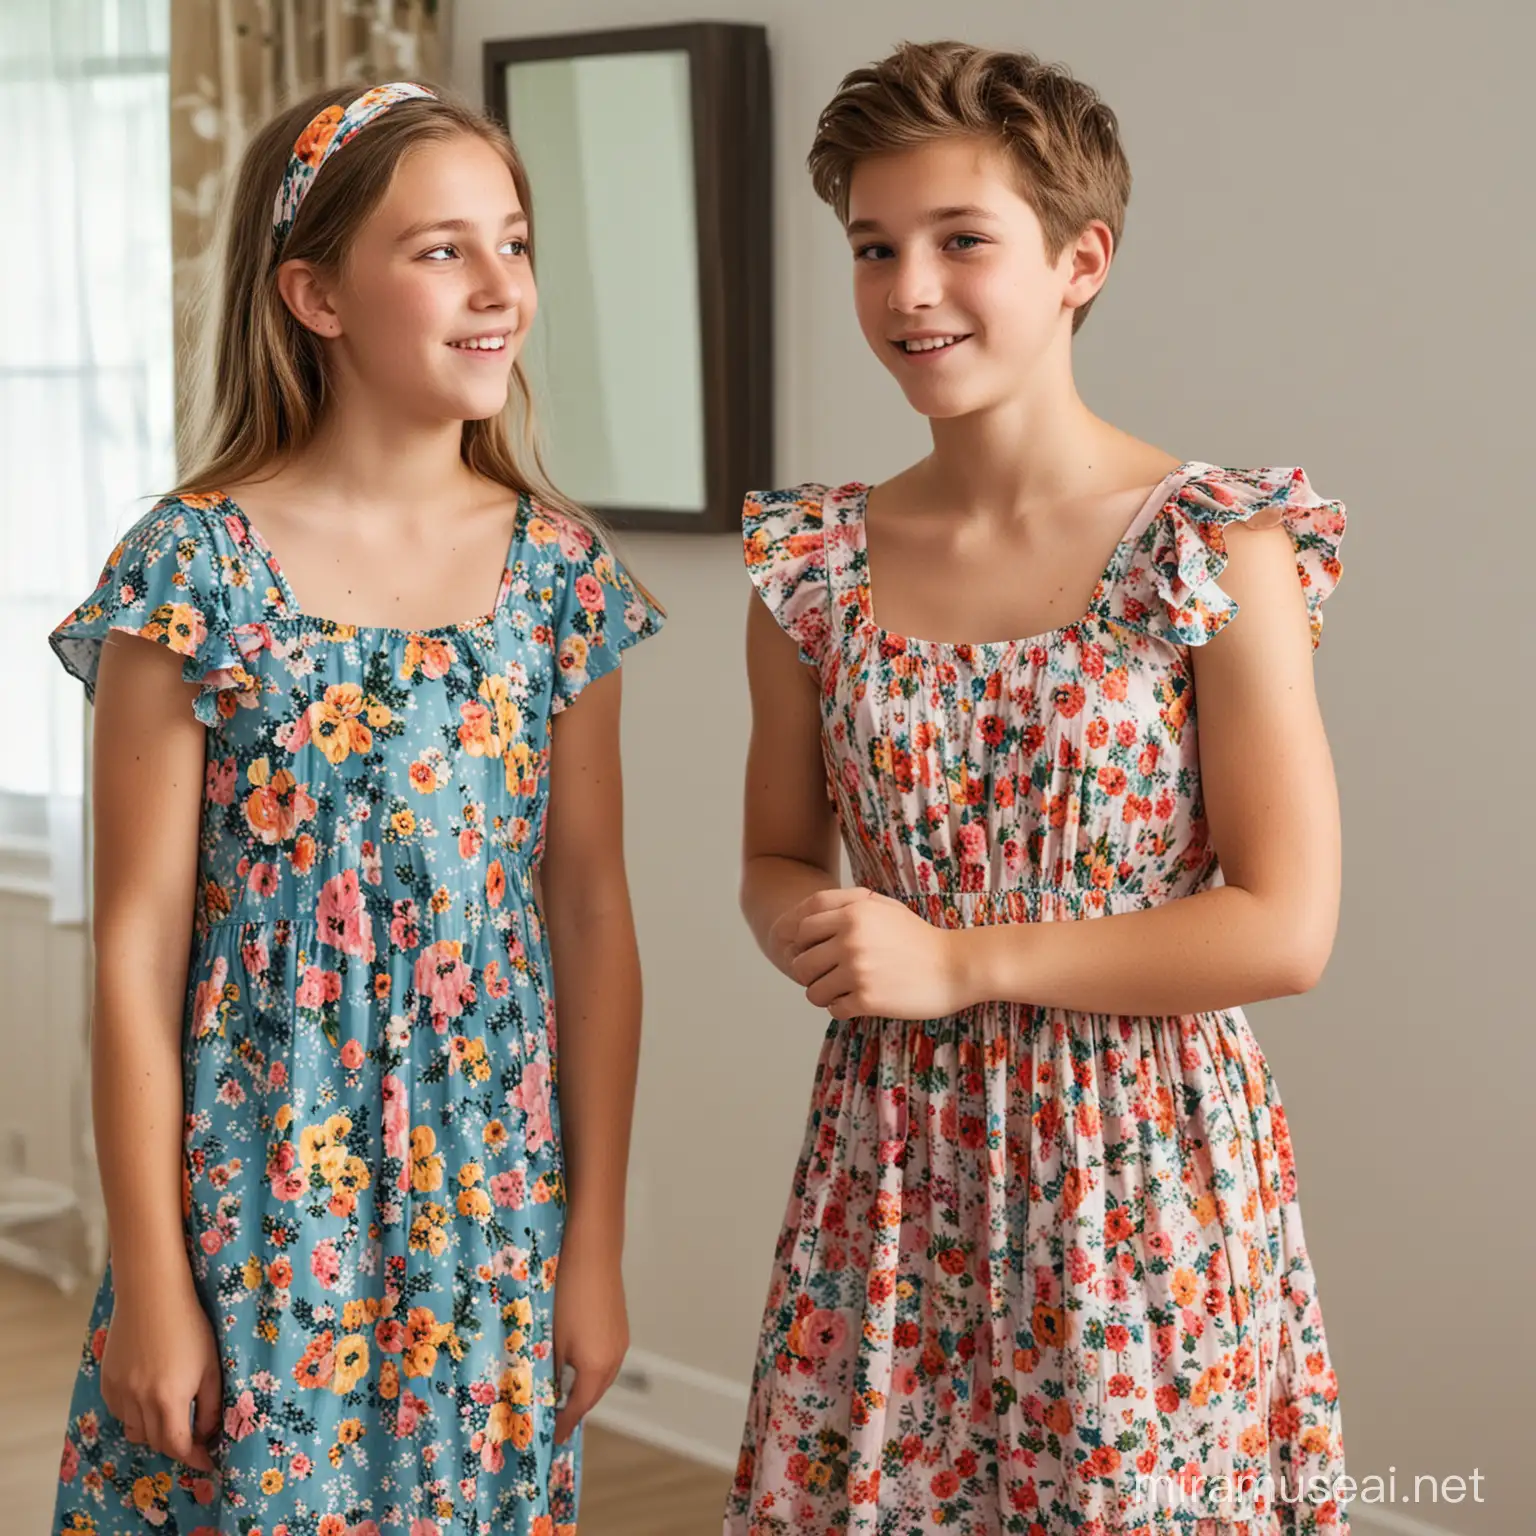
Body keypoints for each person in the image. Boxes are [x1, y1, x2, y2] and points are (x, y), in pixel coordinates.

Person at [731, 41, 1349, 1536]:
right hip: (889, 1168)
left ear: (1082, 259)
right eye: (874, 248)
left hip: (1140, 1166)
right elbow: (771, 853)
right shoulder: (814, 566)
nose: (908, 292)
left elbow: (1285, 927)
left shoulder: (1212, 546)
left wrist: (958, 962)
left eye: (960, 242)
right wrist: (813, 929)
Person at [49, 81, 663, 1535]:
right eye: (441, 249)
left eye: (511, 242)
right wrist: (151, 1280)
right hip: (252, 1198)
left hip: (491, 1205)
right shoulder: (187, 569)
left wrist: (594, 1244)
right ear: (314, 293)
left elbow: (588, 911)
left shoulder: (560, 576)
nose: (499, 284)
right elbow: (135, 953)